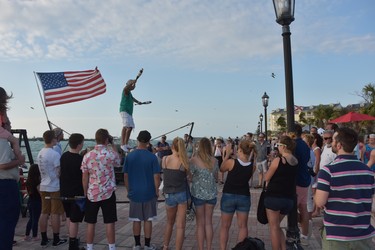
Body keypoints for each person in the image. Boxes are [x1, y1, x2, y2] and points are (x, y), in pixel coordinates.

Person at [315, 127, 375, 249]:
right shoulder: (367, 171)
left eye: (333, 140)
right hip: (363, 234)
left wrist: (315, 195)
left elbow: (320, 202)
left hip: (337, 235)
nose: (331, 142)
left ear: (339, 145)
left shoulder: (328, 171)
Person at [81, 129, 121, 250]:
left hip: (92, 193)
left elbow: (85, 177)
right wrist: (113, 144)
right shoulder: (110, 154)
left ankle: (89, 247)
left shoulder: (87, 156)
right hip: (108, 193)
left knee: (90, 222)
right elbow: (118, 162)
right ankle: (112, 247)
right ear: (106, 139)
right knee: (109, 222)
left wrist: (85, 192)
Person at [123, 130, 161, 250]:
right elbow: (156, 176)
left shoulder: (130, 156)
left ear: (138, 140)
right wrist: (157, 190)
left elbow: (126, 176)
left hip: (134, 192)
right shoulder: (152, 157)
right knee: (148, 220)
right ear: (149, 141)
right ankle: (148, 245)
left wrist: (129, 190)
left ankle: (137, 244)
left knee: (136, 219)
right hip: (149, 192)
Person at [0, 88, 26, 249]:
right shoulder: (2, 141)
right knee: (7, 222)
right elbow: (1, 165)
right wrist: (18, 160)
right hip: (4, 185)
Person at [219, 140, 255, 250]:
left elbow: (221, 169)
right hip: (244, 196)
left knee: (225, 226)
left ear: (240, 150)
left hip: (229, 195)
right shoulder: (252, 166)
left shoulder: (232, 162)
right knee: (243, 226)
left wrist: (227, 155)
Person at [264, 135, 298, 250]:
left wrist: (270, 163)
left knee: (273, 227)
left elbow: (266, 177)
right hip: (288, 198)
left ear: (284, 146)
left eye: (278, 145)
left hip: (274, 197)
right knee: (277, 226)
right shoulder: (295, 160)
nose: (277, 147)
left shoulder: (279, 160)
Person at [37, 130, 67, 246]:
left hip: (44, 185)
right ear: (53, 139)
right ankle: (56, 238)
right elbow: (58, 172)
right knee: (55, 213)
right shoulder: (54, 154)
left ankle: (44, 238)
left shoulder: (40, 152)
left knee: (44, 212)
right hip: (54, 186)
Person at [190, 137, 219, 250]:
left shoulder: (194, 160)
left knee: (200, 224)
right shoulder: (215, 160)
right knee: (208, 222)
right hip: (211, 194)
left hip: (198, 194)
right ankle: (209, 247)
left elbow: (190, 177)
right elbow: (216, 177)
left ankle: (201, 248)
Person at [161, 137, 189, 250]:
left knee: (169, 222)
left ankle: (165, 246)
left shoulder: (164, 159)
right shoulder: (184, 162)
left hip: (168, 194)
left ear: (172, 146)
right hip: (181, 193)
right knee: (181, 226)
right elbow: (187, 176)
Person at [60, 133, 85, 250]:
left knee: (69, 216)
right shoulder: (81, 159)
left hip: (64, 191)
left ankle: (72, 239)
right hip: (76, 193)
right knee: (75, 220)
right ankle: (73, 244)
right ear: (79, 144)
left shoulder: (63, 156)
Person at [292, 124, 311, 246]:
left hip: (297, 180)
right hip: (305, 179)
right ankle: (305, 234)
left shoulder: (294, 145)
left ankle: (294, 233)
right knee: (303, 207)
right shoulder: (305, 145)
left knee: (293, 208)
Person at [119, 78, 144, 152]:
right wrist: (132, 82)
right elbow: (127, 87)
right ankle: (123, 144)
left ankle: (126, 144)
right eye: (132, 84)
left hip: (129, 112)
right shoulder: (125, 90)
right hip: (124, 110)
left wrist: (138, 102)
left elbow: (133, 98)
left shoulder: (130, 93)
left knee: (130, 127)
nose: (133, 86)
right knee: (126, 126)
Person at [24, 164, 42, 242]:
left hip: (30, 201)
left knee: (31, 218)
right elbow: (40, 193)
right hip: (37, 202)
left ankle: (27, 235)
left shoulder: (28, 181)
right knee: (35, 219)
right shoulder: (37, 182)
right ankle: (35, 236)